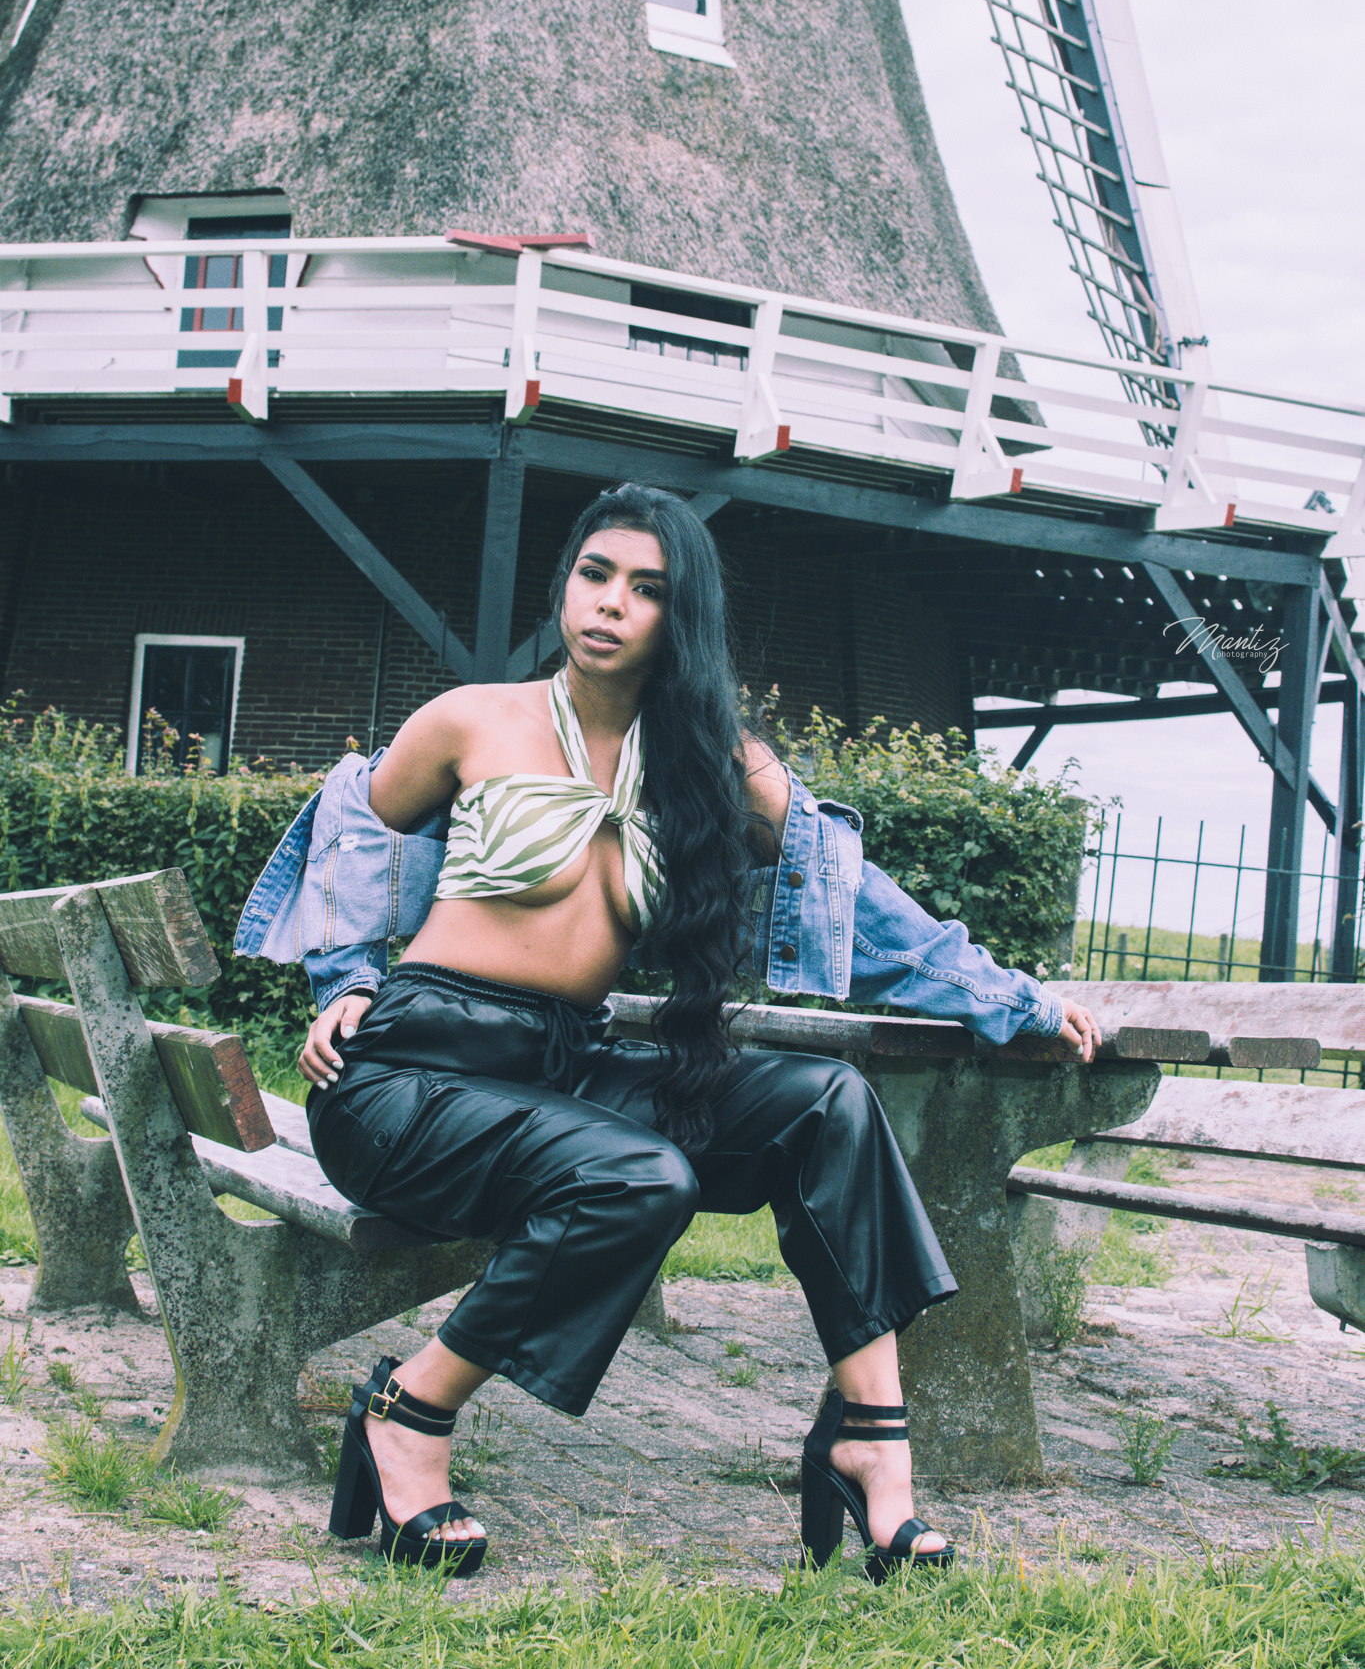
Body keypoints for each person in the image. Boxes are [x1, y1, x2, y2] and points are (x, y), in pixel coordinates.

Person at [263, 483, 1099, 1579]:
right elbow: (349, 830)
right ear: (565, 585)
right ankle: (410, 1411)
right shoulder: (473, 718)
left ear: (681, 614)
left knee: (827, 1103)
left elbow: (862, 907)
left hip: (560, 1071)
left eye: (646, 588)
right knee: (638, 1175)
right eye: (594, 573)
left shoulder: (716, 762)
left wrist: (1016, 999)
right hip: (411, 1080)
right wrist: (344, 979)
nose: (610, 602)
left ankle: (871, 1444)